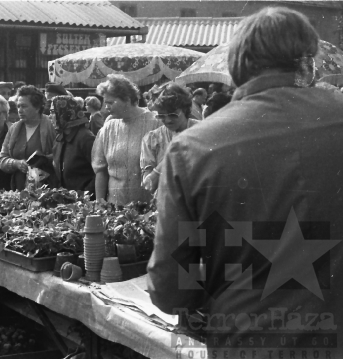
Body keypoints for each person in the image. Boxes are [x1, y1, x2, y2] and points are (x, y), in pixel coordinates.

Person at [147, 7, 343, 358]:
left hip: (249, 342)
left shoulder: (194, 147)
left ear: (235, 70)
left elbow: (170, 287)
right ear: (308, 63)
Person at [91, 74, 160, 206]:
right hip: (115, 209)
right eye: (105, 103)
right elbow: (100, 169)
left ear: (127, 100)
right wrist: (100, 201)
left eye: (110, 102)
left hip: (148, 208)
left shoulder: (155, 123)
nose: (106, 107)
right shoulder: (109, 127)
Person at [141, 83, 200, 193]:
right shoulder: (153, 138)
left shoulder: (202, 131)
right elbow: (148, 185)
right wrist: (171, 155)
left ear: (185, 109)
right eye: (161, 116)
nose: (167, 120)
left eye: (173, 114)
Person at [0, 85, 56, 191]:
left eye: (24, 106)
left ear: (37, 107)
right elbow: (1, 159)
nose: (20, 110)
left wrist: (44, 160)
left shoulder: (52, 127)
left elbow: (61, 157)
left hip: (47, 189)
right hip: (18, 189)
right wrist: (16, 163)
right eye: (18, 106)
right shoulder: (14, 129)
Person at [52, 96, 96, 195]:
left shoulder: (86, 138)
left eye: (52, 112)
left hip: (84, 203)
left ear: (66, 113)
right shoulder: (59, 138)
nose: (50, 116)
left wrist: (86, 194)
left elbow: (99, 171)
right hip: (66, 203)